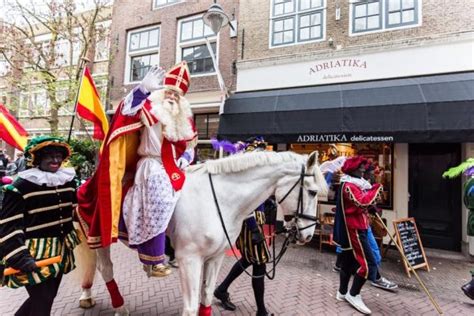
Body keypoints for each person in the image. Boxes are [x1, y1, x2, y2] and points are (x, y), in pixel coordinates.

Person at [77, 62, 197, 278]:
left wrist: (186, 158)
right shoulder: (150, 108)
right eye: (169, 91)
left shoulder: (184, 119)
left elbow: (189, 146)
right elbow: (127, 111)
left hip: (175, 167)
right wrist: (142, 90)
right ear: (162, 91)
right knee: (159, 195)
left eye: (177, 94)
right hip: (151, 164)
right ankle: (153, 257)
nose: (172, 97)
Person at [0, 136, 80, 316]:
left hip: (60, 251)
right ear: (36, 158)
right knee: (43, 303)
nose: (56, 160)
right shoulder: (20, 186)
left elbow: (72, 211)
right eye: (49, 156)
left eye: (59, 156)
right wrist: (20, 257)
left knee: (47, 297)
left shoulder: (68, 181)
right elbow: (8, 226)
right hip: (34, 254)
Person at [213, 137, 273, 316]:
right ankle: (261, 311)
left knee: (248, 259)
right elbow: (244, 202)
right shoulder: (246, 173)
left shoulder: (255, 172)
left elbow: (255, 196)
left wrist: (267, 201)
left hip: (254, 221)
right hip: (249, 223)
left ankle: (221, 289)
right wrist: (254, 228)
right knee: (259, 264)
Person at [333, 156, 383, 315]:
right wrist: (376, 188)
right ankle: (353, 294)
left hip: (357, 227)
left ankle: (342, 292)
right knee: (370, 264)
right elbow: (361, 202)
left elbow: (361, 205)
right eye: (361, 167)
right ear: (352, 169)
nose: (363, 170)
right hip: (355, 229)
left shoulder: (355, 184)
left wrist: (371, 207)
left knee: (347, 262)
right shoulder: (349, 185)